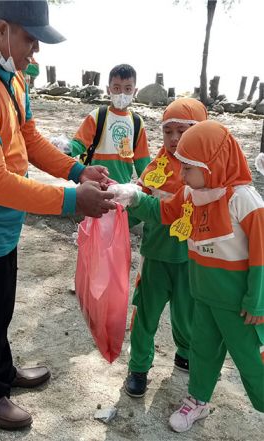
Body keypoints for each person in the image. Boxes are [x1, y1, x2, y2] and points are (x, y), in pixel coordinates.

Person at [0, 0, 116, 430]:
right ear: (1, 30)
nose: (36, 53)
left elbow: (27, 135)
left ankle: (2, 370)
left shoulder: (9, 76)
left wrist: (76, 171)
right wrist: (72, 201)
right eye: (31, 40)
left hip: (1, 225)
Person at [112, 120, 264, 432]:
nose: (180, 175)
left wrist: (257, 301)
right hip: (204, 297)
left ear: (211, 165)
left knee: (253, 361)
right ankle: (198, 400)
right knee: (202, 351)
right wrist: (132, 196)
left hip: (239, 305)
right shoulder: (192, 194)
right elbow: (162, 212)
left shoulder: (244, 201)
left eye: (187, 168)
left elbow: (262, 254)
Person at [123, 98, 207, 398]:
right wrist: (113, 219)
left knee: (187, 313)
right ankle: (138, 366)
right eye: (168, 131)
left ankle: (184, 351)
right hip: (156, 257)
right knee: (146, 314)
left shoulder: (208, 171)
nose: (174, 139)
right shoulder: (154, 168)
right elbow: (135, 207)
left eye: (182, 131)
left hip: (192, 260)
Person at [54, 64, 150, 184]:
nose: (122, 93)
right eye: (116, 88)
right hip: (95, 183)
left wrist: (148, 185)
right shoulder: (97, 116)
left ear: (135, 91)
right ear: (108, 89)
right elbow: (80, 144)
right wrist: (66, 148)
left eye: (127, 89)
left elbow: (142, 159)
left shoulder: (137, 122)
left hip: (122, 187)